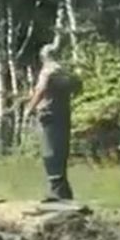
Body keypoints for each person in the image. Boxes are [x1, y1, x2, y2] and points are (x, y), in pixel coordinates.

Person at [27, 44, 79, 201]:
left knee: (49, 152)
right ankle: (63, 191)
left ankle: (56, 191)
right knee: (60, 151)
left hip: (48, 115)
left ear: (44, 57)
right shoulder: (65, 72)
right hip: (63, 114)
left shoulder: (48, 71)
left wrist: (30, 107)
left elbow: (41, 90)